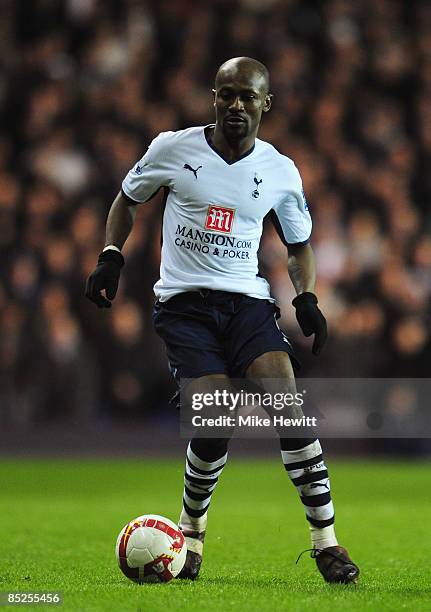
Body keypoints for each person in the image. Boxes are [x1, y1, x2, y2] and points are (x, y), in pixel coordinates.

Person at [85, 57, 359, 584]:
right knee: (216, 418)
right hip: (185, 305)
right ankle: (191, 531)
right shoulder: (172, 147)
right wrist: (111, 254)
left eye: (247, 97)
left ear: (265, 104)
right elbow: (127, 198)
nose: (236, 105)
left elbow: (299, 245)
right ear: (213, 97)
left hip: (247, 304)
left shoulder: (280, 169)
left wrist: (306, 299)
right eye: (227, 95)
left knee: (287, 404)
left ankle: (325, 543)